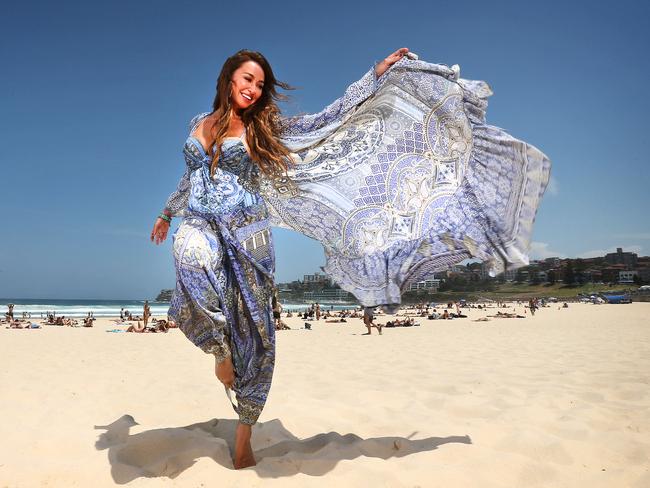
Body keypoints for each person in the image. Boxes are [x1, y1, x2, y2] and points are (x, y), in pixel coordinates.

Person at [151, 48, 550, 469]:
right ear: (228, 79)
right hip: (200, 224)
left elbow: (328, 120)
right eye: (246, 79)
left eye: (260, 85)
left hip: (247, 233)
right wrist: (166, 212)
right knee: (189, 258)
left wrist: (375, 75)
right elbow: (191, 176)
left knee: (257, 335)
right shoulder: (199, 123)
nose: (252, 89)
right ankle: (219, 353)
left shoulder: (263, 128)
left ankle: (245, 430)